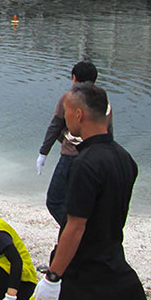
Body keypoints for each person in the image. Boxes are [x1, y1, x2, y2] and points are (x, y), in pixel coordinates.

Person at [33, 82, 151, 300]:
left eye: (66, 112)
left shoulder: (85, 164)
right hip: (112, 258)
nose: (64, 119)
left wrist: (53, 276)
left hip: (85, 271)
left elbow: (75, 227)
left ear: (79, 115)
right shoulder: (124, 158)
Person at [36, 61, 113, 227]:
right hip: (98, 156)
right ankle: (81, 229)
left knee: (55, 200)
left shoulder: (69, 98)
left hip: (70, 156)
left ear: (74, 79)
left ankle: (74, 231)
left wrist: (43, 153)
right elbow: (109, 130)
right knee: (85, 200)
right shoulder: (103, 101)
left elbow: (55, 126)